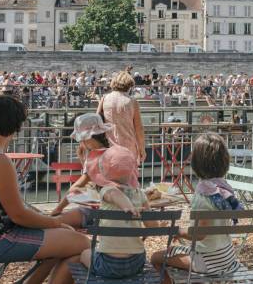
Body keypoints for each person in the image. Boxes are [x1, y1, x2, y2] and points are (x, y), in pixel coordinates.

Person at [0, 95, 89, 284]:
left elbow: (9, 207)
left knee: (66, 243)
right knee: (81, 243)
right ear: (16, 125)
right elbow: (19, 216)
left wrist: (51, 221)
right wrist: (56, 223)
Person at [151, 133, 242, 284]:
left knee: (156, 258)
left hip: (208, 262)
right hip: (227, 257)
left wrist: (177, 231)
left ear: (196, 163)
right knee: (179, 250)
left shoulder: (203, 195)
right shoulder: (225, 189)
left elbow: (199, 235)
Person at [79, 145, 159, 279]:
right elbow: (153, 226)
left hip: (107, 265)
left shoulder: (105, 190)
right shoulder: (140, 195)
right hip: (137, 263)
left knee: (84, 254)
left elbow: (114, 193)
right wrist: (158, 225)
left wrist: (126, 205)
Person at [50, 113, 112, 220]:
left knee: (56, 220)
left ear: (87, 138)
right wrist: (82, 158)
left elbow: (76, 187)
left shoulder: (94, 158)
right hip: (118, 206)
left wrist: (58, 208)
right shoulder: (114, 151)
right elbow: (93, 175)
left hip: (100, 211)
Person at [97, 71, 146, 165]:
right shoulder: (132, 101)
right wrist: (142, 148)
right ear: (129, 85)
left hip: (109, 146)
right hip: (128, 147)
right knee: (128, 177)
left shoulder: (104, 98)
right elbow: (139, 128)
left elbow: (97, 120)